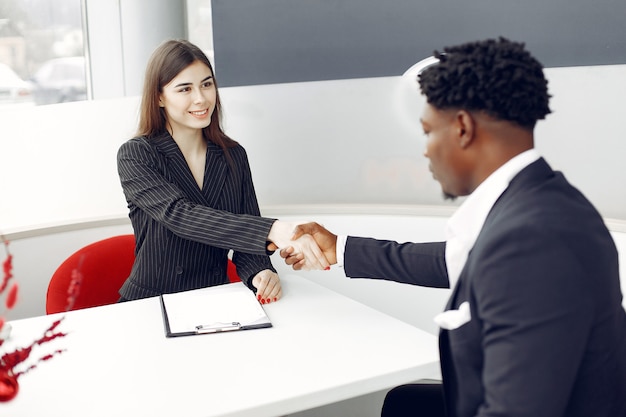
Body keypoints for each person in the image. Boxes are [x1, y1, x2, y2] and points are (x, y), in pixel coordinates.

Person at [276, 38, 626, 417]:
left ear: (462, 128)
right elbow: (456, 259)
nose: (425, 149)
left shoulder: (533, 242)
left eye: (428, 131)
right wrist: (339, 248)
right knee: (403, 402)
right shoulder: (535, 200)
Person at [117, 39, 328, 303]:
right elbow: (180, 215)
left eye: (207, 84)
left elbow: (246, 233)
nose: (201, 98)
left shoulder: (233, 155)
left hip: (216, 300)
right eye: (185, 89)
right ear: (159, 97)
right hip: (153, 303)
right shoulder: (137, 154)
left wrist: (259, 271)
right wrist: (272, 230)